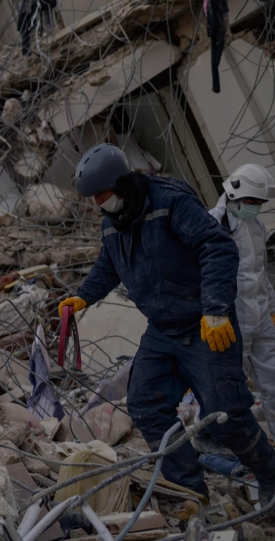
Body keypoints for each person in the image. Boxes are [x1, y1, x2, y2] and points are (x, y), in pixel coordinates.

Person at [59, 143, 275, 503]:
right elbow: (109, 264)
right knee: (146, 405)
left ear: (121, 183)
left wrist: (216, 309)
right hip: (162, 330)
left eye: (101, 194)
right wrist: (84, 296)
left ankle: (270, 475)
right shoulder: (112, 223)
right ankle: (190, 491)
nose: (97, 202)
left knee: (225, 415)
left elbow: (217, 247)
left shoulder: (170, 201)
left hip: (204, 325)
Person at [208, 164, 275, 435]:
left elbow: (261, 274)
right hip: (231, 322)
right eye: (253, 201)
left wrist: (272, 309)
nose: (256, 207)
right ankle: (220, 440)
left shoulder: (256, 226)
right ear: (234, 194)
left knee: (273, 381)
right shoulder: (211, 224)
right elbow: (204, 276)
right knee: (230, 390)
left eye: (260, 203)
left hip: (261, 318)